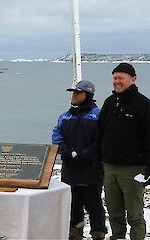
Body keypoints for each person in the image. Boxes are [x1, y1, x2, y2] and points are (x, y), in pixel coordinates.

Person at [96, 63, 150, 240]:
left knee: (135, 215)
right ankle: (118, 237)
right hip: (109, 167)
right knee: (114, 213)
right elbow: (100, 132)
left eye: (120, 78)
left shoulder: (144, 104)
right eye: (114, 78)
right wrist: (98, 159)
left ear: (133, 79)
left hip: (133, 169)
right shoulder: (109, 102)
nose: (117, 81)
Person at [52, 80, 107, 240]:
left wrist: (85, 154)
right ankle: (75, 234)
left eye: (78, 93)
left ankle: (98, 233)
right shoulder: (65, 116)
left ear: (88, 95)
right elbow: (56, 135)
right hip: (70, 169)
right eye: (73, 93)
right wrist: (65, 151)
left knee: (94, 205)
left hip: (91, 169)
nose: (74, 96)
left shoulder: (98, 115)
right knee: (74, 204)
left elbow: (102, 140)